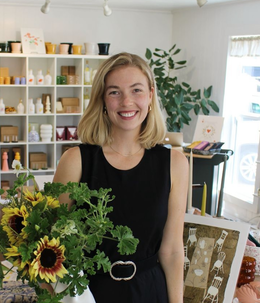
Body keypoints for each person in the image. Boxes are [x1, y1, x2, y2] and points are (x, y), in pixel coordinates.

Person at [53, 52, 188, 303]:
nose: (127, 102)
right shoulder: (76, 161)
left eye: (136, 90)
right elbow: (51, 241)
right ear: (103, 100)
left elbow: (171, 250)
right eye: (114, 92)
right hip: (89, 293)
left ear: (150, 95)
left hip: (150, 292)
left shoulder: (175, 164)